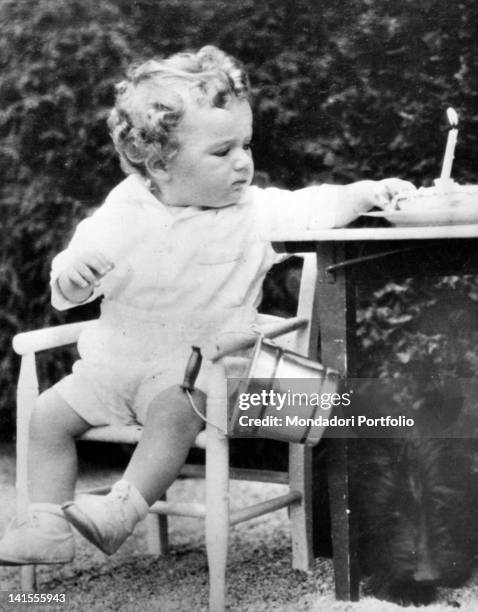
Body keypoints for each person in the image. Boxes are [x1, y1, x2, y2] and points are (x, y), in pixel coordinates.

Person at [0, 45, 414, 564]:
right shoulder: (124, 209)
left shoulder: (254, 213)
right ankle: (47, 525)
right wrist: (74, 276)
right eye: (222, 152)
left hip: (204, 374)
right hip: (112, 367)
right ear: (159, 164)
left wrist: (368, 192)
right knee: (47, 416)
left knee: (176, 407)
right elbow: (75, 273)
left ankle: (122, 510)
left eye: (246, 144)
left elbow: (314, 204)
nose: (243, 161)